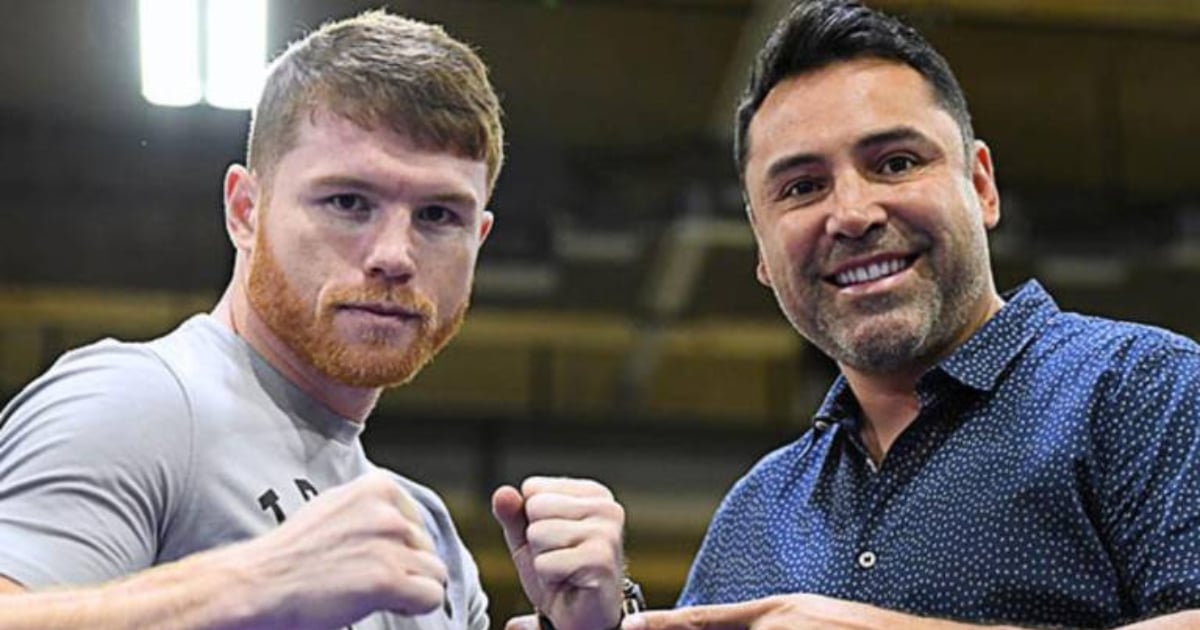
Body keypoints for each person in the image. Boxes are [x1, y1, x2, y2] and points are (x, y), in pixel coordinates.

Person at [0, 10, 624, 630]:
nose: (394, 257)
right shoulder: (139, 403)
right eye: (349, 202)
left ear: (479, 239)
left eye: (438, 216)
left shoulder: (427, 534)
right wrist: (249, 584)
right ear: (245, 211)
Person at [619, 1, 1200, 629]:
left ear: (981, 186)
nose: (852, 213)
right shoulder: (755, 517)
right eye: (802, 188)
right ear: (761, 249)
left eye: (895, 163)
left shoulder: (1147, 393)